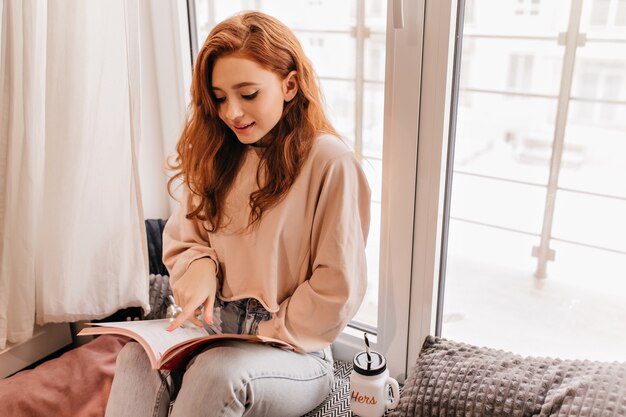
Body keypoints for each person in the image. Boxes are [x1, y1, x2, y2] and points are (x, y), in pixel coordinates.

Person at [105, 11, 370, 417]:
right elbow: (183, 239)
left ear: (290, 84)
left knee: (217, 372)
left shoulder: (330, 162)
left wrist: (262, 333)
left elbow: (337, 285)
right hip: (213, 328)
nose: (231, 113)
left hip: (294, 346)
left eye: (248, 95)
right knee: (134, 360)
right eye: (219, 96)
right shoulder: (214, 151)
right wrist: (200, 269)